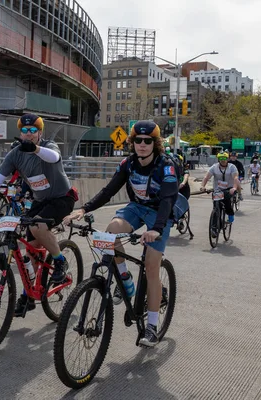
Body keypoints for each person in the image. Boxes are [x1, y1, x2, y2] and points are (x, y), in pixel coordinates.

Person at [64, 121, 178, 347]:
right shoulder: (128, 164)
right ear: (132, 142)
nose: (142, 145)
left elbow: (167, 200)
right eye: (138, 140)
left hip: (160, 213)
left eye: (147, 141)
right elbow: (109, 191)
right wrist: (84, 209)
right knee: (110, 232)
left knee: (152, 267)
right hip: (136, 208)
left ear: (155, 144)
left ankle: (152, 327)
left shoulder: (166, 165)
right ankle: (125, 280)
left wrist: (156, 229)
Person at [0, 113, 77, 316]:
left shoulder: (48, 146)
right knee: (32, 250)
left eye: (32, 131)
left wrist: (35, 149)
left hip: (62, 199)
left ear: (39, 133)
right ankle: (30, 294)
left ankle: (60, 260)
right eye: (24, 131)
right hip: (40, 201)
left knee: (37, 226)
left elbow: (54, 158)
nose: (28, 134)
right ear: (20, 133)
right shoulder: (16, 154)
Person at [200, 152, 241, 227]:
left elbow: (235, 178)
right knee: (216, 206)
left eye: (224, 158)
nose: (223, 160)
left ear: (227, 159)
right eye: (221, 158)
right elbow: (206, 177)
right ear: (218, 159)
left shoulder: (232, 167)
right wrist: (202, 186)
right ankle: (215, 226)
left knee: (227, 201)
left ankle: (230, 214)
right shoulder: (214, 167)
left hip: (229, 188)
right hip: (218, 189)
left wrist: (234, 188)